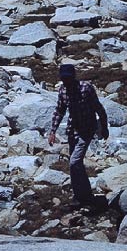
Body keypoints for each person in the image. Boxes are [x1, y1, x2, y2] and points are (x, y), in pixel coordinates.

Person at [47, 64, 109, 208]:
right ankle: (80, 196)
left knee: (74, 162)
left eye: (68, 78)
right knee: (76, 165)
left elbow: (99, 108)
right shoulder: (63, 91)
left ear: (73, 77)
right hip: (72, 129)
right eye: (63, 79)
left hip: (87, 129)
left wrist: (104, 128)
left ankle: (85, 196)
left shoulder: (86, 88)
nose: (66, 82)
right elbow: (59, 111)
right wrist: (52, 131)